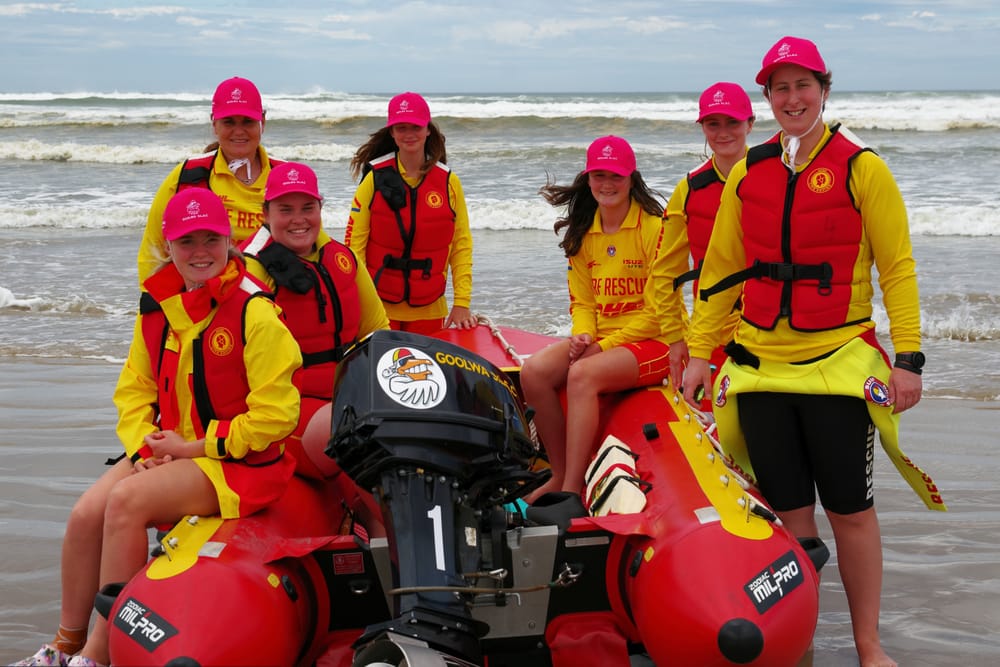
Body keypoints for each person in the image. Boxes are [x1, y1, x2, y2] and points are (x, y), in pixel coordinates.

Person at [680, 36, 945, 667]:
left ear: (824, 90)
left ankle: (867, 644)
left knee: (850, 513)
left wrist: (908, 359)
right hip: (761, 369)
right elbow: (720, 272)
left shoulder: (863, 167)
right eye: (780, 88)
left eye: (803, 85)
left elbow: (897, 268)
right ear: (768, 98)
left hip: (838, 364)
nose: (792, 98)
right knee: (791, 516)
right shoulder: (748, 171)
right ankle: (797, 642)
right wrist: (699, 352)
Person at [18, 189, 301, 667]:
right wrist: (144, 451)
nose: (200, 252)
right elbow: (133, 392)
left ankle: (98, 652)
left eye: (210, 239)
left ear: (229, 241)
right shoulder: (158, 307)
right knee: (86, 514)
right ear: (168, 246)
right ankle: (64, 644)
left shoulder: (255, 311)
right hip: (169, 448)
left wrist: (191, 448)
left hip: (236, 461)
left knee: (127, 501)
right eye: (186, 241)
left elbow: (277, 416)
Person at [520, 136, 670, 503]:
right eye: (599, 175)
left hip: (656, 341)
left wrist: (603, 347)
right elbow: (583, 302)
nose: (607, 184)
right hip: (604, 338)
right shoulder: (583, 232)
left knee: (582, 374)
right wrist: (584, 337)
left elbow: (659, 313)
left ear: (631, 178)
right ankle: (558, 473)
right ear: (587, 179)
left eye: (616, 176)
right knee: (533, 372)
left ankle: (572, 489)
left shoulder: (655, 227)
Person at [241, 161, 388, 491]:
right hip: (290, 412)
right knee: (362, 439)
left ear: (320, 208)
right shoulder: (251, 274)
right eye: (285, 209)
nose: (298, 219)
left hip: (347, 396)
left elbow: (378, 331)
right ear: (265, 213)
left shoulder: (343, 259)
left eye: (308, 208)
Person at [345, 91, 475, 334]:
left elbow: (461, 244)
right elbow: (355, 244)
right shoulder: (374, 178)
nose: (409, 134)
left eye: (415, 127)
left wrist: (462, 303)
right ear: (392, 133)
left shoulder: (449, 182)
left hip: (430, 307)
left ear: (428, 130)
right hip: (379, 307)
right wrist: (357, 298)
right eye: (401, 128)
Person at [653, 82, 755, 392]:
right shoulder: (689, 188)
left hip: (767, 333)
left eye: (732, 122)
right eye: (713, 124)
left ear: (750, 124)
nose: (723, 132)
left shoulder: (774, 176)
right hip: (711, 336)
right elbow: (665, 271)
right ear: (703, 128)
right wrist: (674, 337)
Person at [136, 76, 283, 285]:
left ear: (263, 122)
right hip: (206, 300)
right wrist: (151, 301)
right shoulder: (186, 176)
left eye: (247, 121)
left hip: (274, 300)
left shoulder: (284, 176)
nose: (238, 131)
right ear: (214, 124)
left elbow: (311, 243)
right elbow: (153, 248)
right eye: (229, 122)